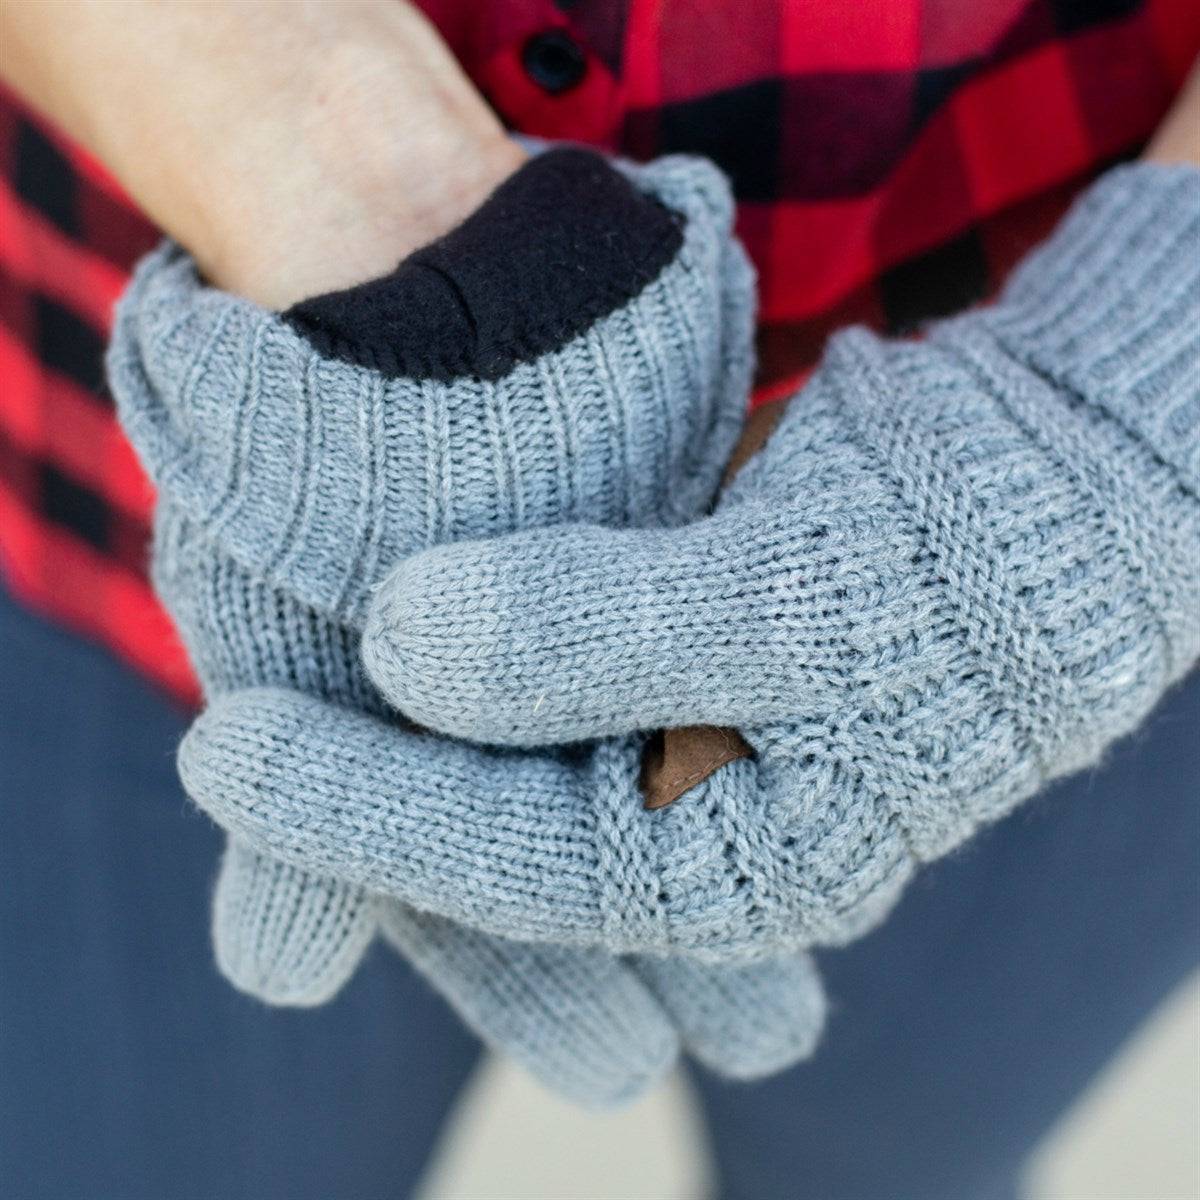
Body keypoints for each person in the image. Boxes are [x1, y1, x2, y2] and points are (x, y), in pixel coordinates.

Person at [1, 3, 1197, 1197]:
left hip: (1078, 542)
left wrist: (1142, 407)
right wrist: (319, 145)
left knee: (904, 1156)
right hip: (178, 467)